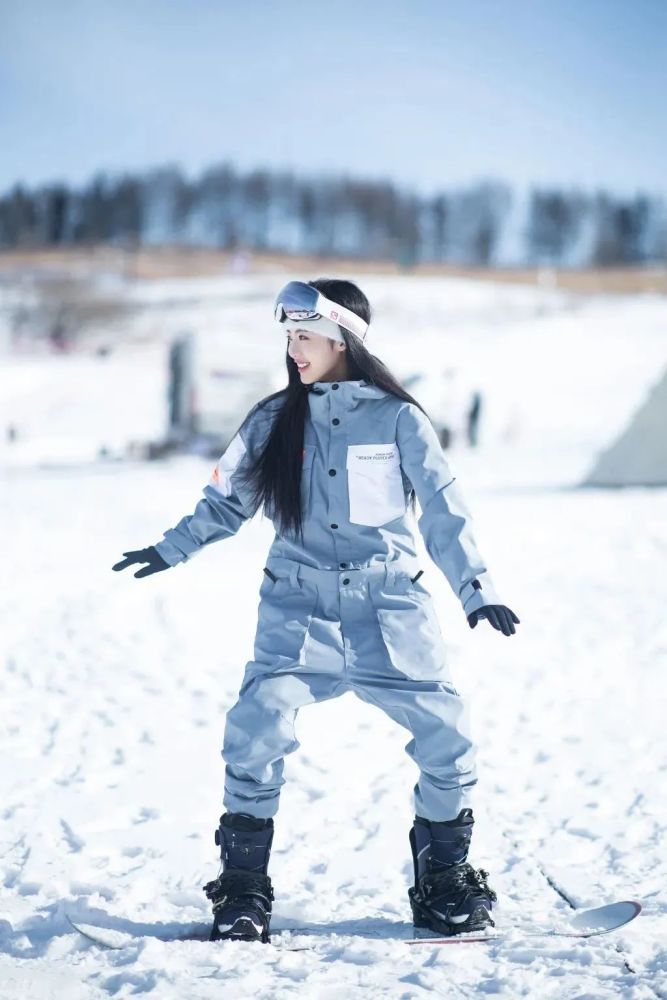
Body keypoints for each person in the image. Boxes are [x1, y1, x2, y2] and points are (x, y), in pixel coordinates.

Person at [112, 278, 520, 944]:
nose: (293, 350)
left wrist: (478, 590)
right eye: (288, 338)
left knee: (448, 741)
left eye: (304, 337)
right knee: (255, 731)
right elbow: (225, 503)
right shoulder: (271, 419)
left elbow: (444, 510)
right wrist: (170, 547)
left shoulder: (397, 419)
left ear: (343, 339)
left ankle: (442, 879)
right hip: (297, 610)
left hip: (390, 609)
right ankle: (244, 886)